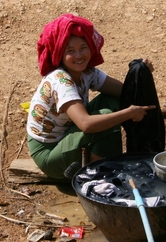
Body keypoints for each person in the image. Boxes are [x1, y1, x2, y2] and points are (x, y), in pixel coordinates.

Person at [26, 13, 156, 179]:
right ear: (59, 53)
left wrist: (142, 73)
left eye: (83, 48)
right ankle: (101, 174)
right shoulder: (61, 81)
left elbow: (125, 93)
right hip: (49, 153)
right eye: (70, 51)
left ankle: (97, 157)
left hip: (68, 132)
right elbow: (86, 124)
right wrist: (129, 113)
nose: (79, 55)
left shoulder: (88, 72)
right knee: (109, 120)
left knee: (113, 100)